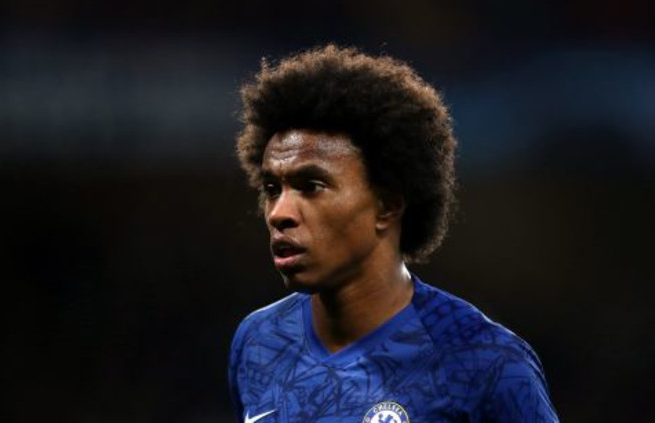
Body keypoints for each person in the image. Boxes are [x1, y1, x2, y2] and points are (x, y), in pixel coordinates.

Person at [228, 44, 558, 423]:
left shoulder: (486, 364)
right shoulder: (258, 341)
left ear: (387, 206)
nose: (279, 213)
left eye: (312, 186)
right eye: (272, 189)